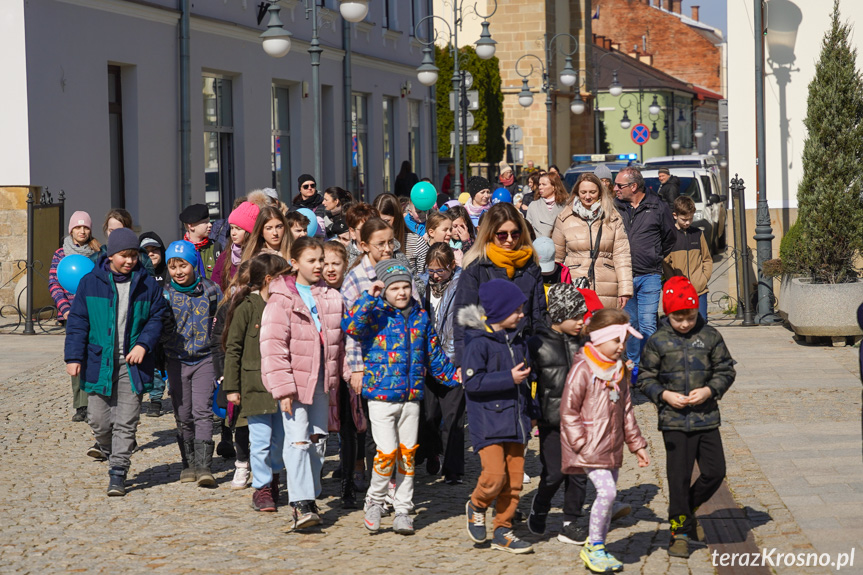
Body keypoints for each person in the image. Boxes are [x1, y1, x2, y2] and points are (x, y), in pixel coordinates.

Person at [342, 259, 458, 536]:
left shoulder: (420, 317)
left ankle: (403, 509)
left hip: (411, 398)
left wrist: (456, 377)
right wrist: (370, 297)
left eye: (406, 287)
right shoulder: (375, 314)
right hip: (381, 397)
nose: (402, 292)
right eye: (395, 288)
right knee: (386, 453)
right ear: (384, 290)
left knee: (407, 455)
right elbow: (352, 326)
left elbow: (435, 356)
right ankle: (375, 501)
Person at [64, 228, 166, 496]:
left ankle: (118, 471)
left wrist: (143, 344)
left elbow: (157, 317)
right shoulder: (90, 283)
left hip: (132, 367)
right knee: (98, 420)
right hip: (98, 362)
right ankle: (110, 450)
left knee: (127, 420)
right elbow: (77, 323)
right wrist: (74, 357)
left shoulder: (146, 284)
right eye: (124, 255)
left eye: (133, 255)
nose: (130, 261)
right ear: (111, 256)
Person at [639, 277, 735, 558]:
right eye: (678, 318)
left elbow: (726, 370)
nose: (684, 324)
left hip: (706, 417)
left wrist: (709, 390)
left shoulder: (710, 336)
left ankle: (685, 511)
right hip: (674, 421)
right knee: (678, 477)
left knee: (715, 471)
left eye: (689, 317)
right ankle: (679, 531)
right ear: (667, 314)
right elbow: (645, 377)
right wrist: (664, 395)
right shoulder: (658, 340)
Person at [261, 237, 349, 530]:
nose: (319, 266)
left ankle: (310, 492)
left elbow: (342, 341)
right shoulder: (281, 299)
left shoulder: (332, 296)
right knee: (297, 439)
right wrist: (283, 388)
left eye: (321, 260)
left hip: (323, 381)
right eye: (311, 261)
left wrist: (347, 374)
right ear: (295, 263)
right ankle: (301, 504)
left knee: (318, 439)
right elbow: (273, 346)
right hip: (294, 382)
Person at [560, 308, 650, 573]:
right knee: (608, 493)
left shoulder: (618, 369)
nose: (621, 346)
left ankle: (597, 544)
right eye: (616, 340)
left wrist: (637, 445)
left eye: (624, 341)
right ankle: (594, 548)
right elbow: (568, 409)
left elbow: (626, 410)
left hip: (612, 446)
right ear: (599, 339)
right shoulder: (583, 368)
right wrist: (580, 444)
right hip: (588, 447)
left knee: (608, 499)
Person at [460, 279, 538, 554]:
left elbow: (527, 382)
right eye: (516, 310)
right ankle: (477, 505)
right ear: (500, 312)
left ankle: (503, 530)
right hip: (488, 423)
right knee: (494, 477)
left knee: (514, 482)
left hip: (517, 422)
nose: (521, 315)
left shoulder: (519, 342)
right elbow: (472, 383)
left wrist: (533, 413)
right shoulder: (478, 343)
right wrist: (508, 378)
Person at [223, 254, 290, 510]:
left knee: (280, 441)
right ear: (270, 280)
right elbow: (233, 348)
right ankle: (261, 488)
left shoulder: (286, 305)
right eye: (285, 277)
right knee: (260, 441)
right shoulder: (247, 307)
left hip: (282, 386)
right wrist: (232, 387)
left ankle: (274, 478)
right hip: (254, 386)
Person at [526, 284, 591, 544]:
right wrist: (532, 412)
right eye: (576, 316)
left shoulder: (584, 342)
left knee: (577, 473)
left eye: (583, 316)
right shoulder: (537, 342)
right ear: (559, 316)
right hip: (551, 421)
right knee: (553, 473)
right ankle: (540, 506)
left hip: (580, 421)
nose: (581, 321)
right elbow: (529, 380)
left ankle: (571, 522)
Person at [453, 203, 548, 370]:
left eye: (515, 233)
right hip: (487, 358)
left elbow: (538, 315)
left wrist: (539, 357)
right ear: (490, 233)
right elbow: (463, 318)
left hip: (523, 356)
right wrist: (463, 362)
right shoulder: (476, 267)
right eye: (502, 235)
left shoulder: (531, 266)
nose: (510, 239)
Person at [161, 240, 223, 486]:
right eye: (173, 266)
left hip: (204, 358)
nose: (178, 271)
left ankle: (205, 466)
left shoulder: (210, 289)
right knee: (183, 412)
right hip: (176, 360)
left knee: (202, 411)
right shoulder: (165, 294)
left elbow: (220, 319)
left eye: (183, 265)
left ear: (194, 264)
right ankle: (188, 464)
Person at [613, 167, 676, 371]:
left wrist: (654, 254)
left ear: (634, 186)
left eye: (619, 185)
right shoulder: (615, 207)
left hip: (650, 274)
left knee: (648, 323)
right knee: (631, 326)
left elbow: (670, 237)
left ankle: (649, 367)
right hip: (624, 276)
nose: (615, 189)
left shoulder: (657, 205)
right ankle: (634, 366)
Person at [322, 240, 367, 508]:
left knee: (351, 428)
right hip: (324, 370)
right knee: (320, 429)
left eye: (335, 264)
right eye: (325, 263)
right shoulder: (316, 294)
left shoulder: (351, 294)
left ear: (345, 266)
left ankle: (348, 485)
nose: (329, 269)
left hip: (348, 370)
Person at [553, 173, 633, 310]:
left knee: (605, 328)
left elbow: (622, 256)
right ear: (577, 192)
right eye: (583, 192)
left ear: (600, 192)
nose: (588, 196)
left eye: (592, 192)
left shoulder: (613, 217)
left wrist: (625, 290)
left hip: (608, 286)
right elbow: (557, 258)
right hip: (575, 285)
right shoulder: (564, 218)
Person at [420, 243, 465, 484]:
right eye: (431, 270)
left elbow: (463, 326)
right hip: (429, 360)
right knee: (429, 415)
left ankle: (453, 469)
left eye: (441, 271)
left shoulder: (463, 286)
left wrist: (458, 360)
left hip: (453, 360)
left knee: (454, 418)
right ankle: (433, 452)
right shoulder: (423, 285)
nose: (435, 275)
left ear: (452, 266)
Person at [50, 211, 101, 422]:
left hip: (95, 312)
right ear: (71, 229)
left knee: (96, 356)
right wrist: (65, 310)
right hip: (73, 314)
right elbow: (55, 284)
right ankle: (81, 404)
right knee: (76, 356)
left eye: (86, 227)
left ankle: (98, 401)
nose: (82, 231)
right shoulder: (61, 254)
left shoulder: (98, 253)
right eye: (78, 227)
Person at [664, 196, 713, 321]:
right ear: (675, 215)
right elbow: (665, 263)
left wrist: (704, 278)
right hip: (678, 290)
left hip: (699, 290)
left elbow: (706, 258)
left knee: (702, 322)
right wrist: (673, 282)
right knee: (681, 322)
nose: (687, 222)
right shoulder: (669, 235)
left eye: (690, 219)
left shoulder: (698, 234)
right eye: (684, 219)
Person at [138, 232, 169, 417]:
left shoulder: (169, 271)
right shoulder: (139, 276)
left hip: (168, 326)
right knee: (154, 366)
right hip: (148, 326)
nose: (151, 254)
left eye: (155, 250)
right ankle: (155, 399)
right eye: (146, 251)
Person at [212, 201, 260, 292]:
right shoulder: (225, 256)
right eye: (232, 228)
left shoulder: (259, 256)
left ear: (249, 232)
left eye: (238, 229)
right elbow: (215, 286)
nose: (233, 233)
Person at [179, 203, 218, 279]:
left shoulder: (215, 247)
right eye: (205, 222)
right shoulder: (180, 250)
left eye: (209, 221)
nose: (210, 225)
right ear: (191, 226)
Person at [525, 171, 568, 238]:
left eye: (544, 184)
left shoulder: (565, 205)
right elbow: (527, 231)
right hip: (539, 246)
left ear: (554, 187)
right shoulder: (533, 206)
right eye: (539, 184)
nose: (540, 187)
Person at [345, 203, 381, 267]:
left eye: (373, 228)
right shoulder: (344, 258)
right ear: (352, 232)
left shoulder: (392, 253)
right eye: (364, 229)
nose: (370, 232)